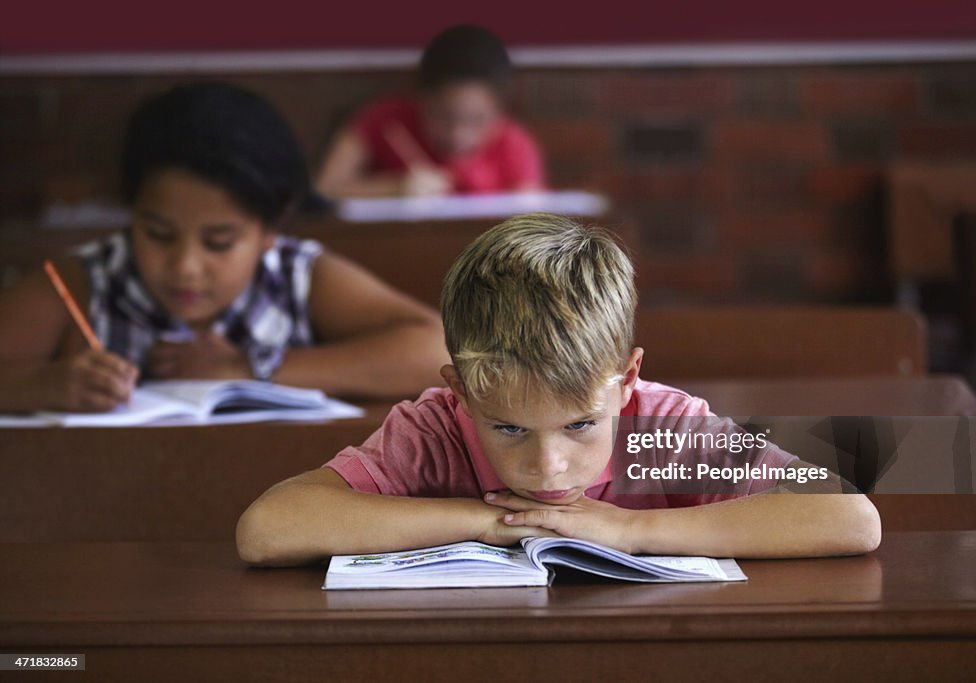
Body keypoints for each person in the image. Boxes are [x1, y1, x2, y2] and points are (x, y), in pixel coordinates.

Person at [236, 213, 881, 566]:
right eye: (509, 429)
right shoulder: (433, 430)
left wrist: (629, 532)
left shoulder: (662, 427)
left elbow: (850, 516)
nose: (547, 467)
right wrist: (493, 523)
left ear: (625, 382)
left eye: (579, 425)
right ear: (459, 391)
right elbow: (267, 530)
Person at [0, 82, 449, 413]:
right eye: (157, 233)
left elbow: (436, 352)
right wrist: (39, 384)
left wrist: (249, 368)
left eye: (219, 242)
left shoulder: (296, 276)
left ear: (271, 228)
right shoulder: (82, 280)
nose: (185, 268)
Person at [316, 24, 545, 199]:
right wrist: (394, 188)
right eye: (443, 116)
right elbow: (323, 190)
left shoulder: (514, 142)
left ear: (499, 110)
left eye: (476, 120)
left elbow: (531, 206)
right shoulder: (383, 121)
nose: (458, 134)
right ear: (421, 98)